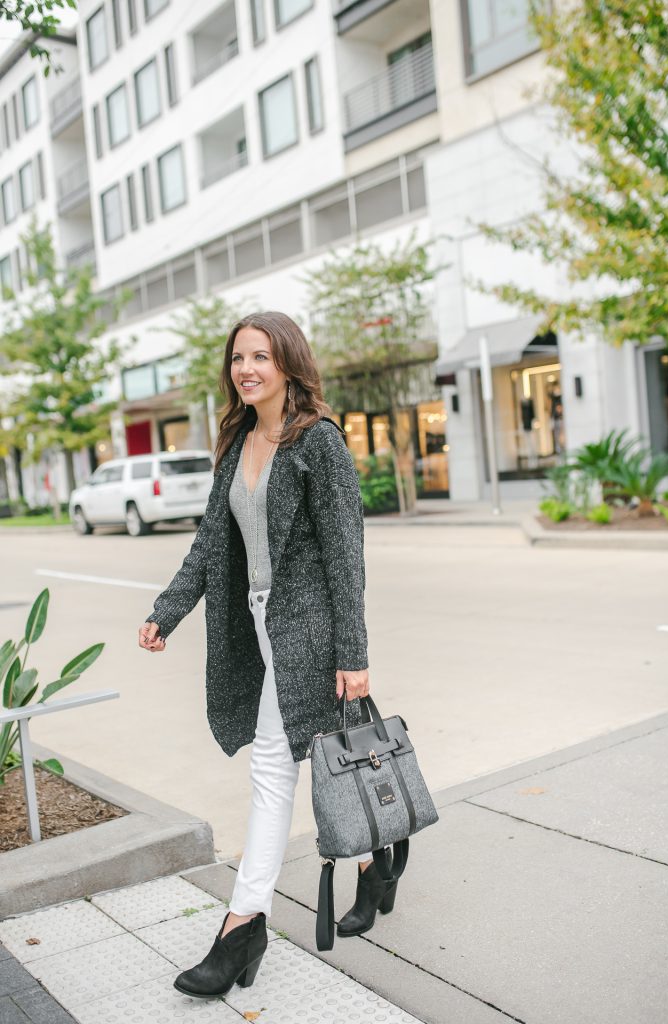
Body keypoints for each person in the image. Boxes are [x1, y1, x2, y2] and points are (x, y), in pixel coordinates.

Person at [138, 311, 399, 1000]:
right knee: (324, 757)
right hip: (256, 631)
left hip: (308, 634)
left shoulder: (320, 444)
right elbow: (209, 545)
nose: (246, 368)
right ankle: (376, 863)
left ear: (288, 363)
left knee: (273, 771)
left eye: (260, 356)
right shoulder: (238, 441)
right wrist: (166, 610)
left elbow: (347, 558)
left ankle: (241, 923)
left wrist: (353, 652)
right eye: (237, 358)